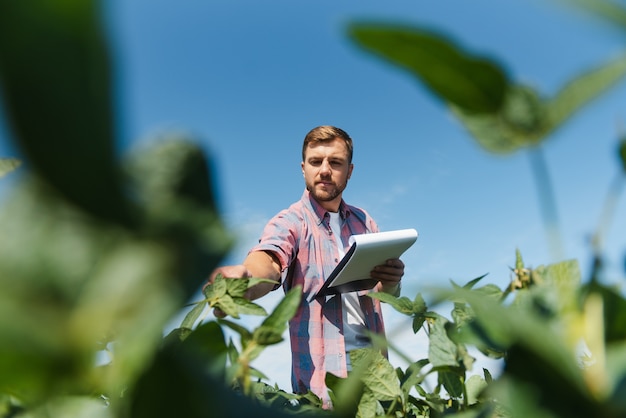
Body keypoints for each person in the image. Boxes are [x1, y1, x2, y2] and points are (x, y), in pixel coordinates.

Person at [207, 125, 405, 407]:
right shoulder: (291, 222)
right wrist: (243, 281)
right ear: (303, 168)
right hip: (323, 389)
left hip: (376, 378)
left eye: (335, 162)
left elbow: (383, 294)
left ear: (349, 171)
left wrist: (392, 281)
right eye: (316, 162)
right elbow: (269, 261)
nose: (324, 170)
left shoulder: (365, 222)